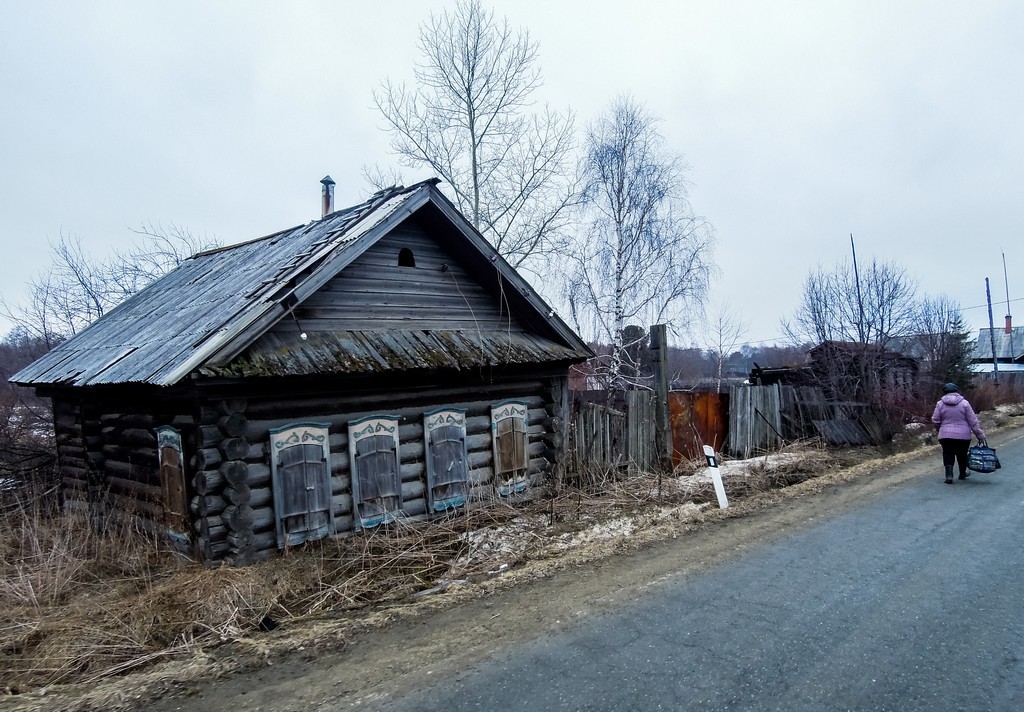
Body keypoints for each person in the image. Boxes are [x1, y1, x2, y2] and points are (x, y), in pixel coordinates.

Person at [931, 383, 986, 484]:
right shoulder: (965, 403)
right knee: (962, 454)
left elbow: (935, 419)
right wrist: (979, 434)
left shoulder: (940, 404)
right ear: (957, 391)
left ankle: (949, 475)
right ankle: (962, 473)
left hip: (945, 435)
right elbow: (973, 421)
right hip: (963, 435)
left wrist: (939, 429)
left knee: (948, 454)